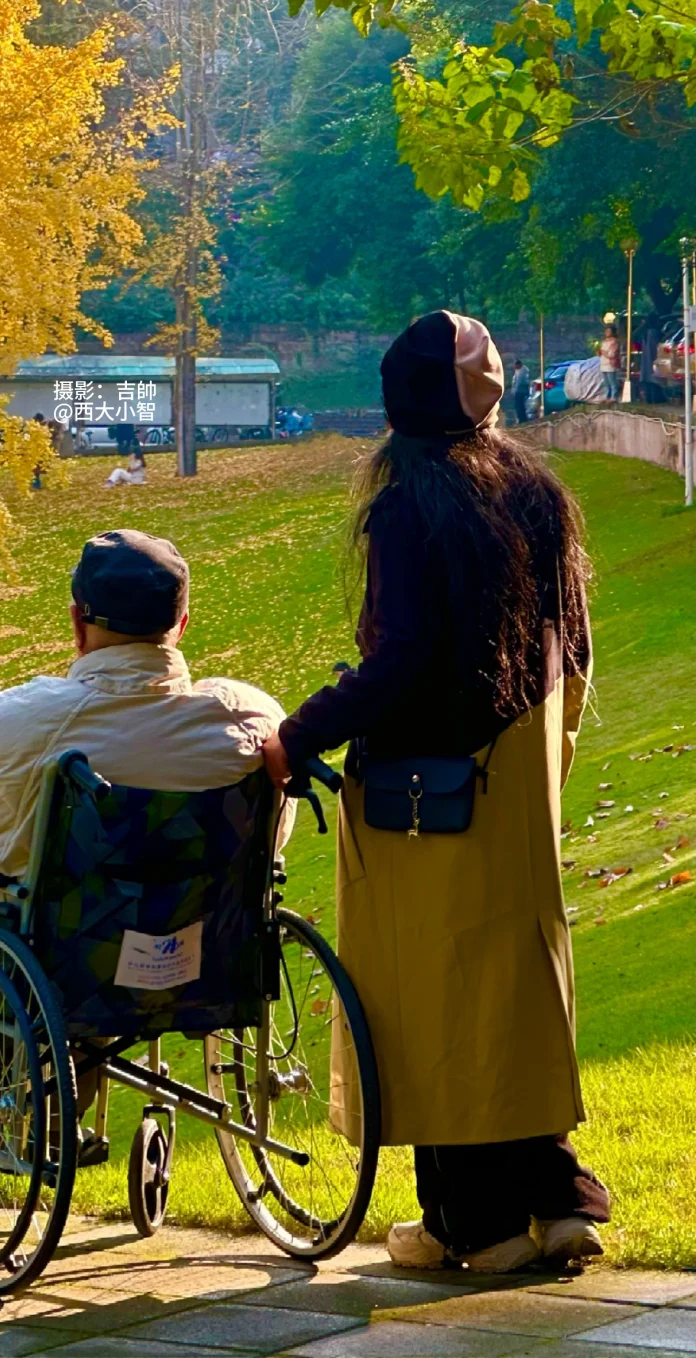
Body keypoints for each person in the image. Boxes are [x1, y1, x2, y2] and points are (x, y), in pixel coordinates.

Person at [262, 310, 608, 1276]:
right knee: (513, 997)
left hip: (425, 799)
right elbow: (573, 650)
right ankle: (557, 1197)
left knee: (432, 1008)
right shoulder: (536, 489)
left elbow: (403, 660)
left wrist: (295, 735)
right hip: (514, 784)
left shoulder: (409, 504)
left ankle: (474, 1223)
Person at [0, 528, 291, 915]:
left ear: (77, 624)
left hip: (71, 960)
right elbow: (274, 836)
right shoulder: (255, 719)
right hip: (209, 947)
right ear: (182, 625)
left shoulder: (16, 726)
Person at [599, 323, 621, 401]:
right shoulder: (604, 341)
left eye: (609, 331)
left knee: (612, 382)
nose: (607, 333)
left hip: (610, 364)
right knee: (606, 383)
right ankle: (607, 396)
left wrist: (604, 352)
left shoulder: (614, 342)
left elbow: (612, 354)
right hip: (603, 364)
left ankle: (614, 397)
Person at [511, 358, 531, 423]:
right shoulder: (518, 370)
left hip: (521, 392)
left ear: (518, 364)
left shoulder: (522, 371)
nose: (514, 367)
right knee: (519, 406)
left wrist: (515, 391)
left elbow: (519, 382)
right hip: (519, 391)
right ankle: (521, 418)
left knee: (520, 406)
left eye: (515, 365)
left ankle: (522, 419)